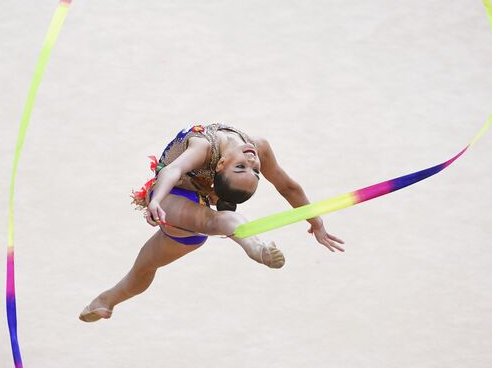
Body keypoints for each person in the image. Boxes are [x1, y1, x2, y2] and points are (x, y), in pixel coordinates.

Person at [79, 123, 344, 322]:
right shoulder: (207, 146)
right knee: (203, 229)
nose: (253, 162)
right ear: (220, 165)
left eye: (251, 170)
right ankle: (255, 246)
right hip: (170, 196)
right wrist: (156, 200)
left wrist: (316, 222)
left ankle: (108, 299)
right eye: (245, 168)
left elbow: (287, 187)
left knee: (149, 265)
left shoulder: (247, 150)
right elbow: (173, 170)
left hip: (192, 216)